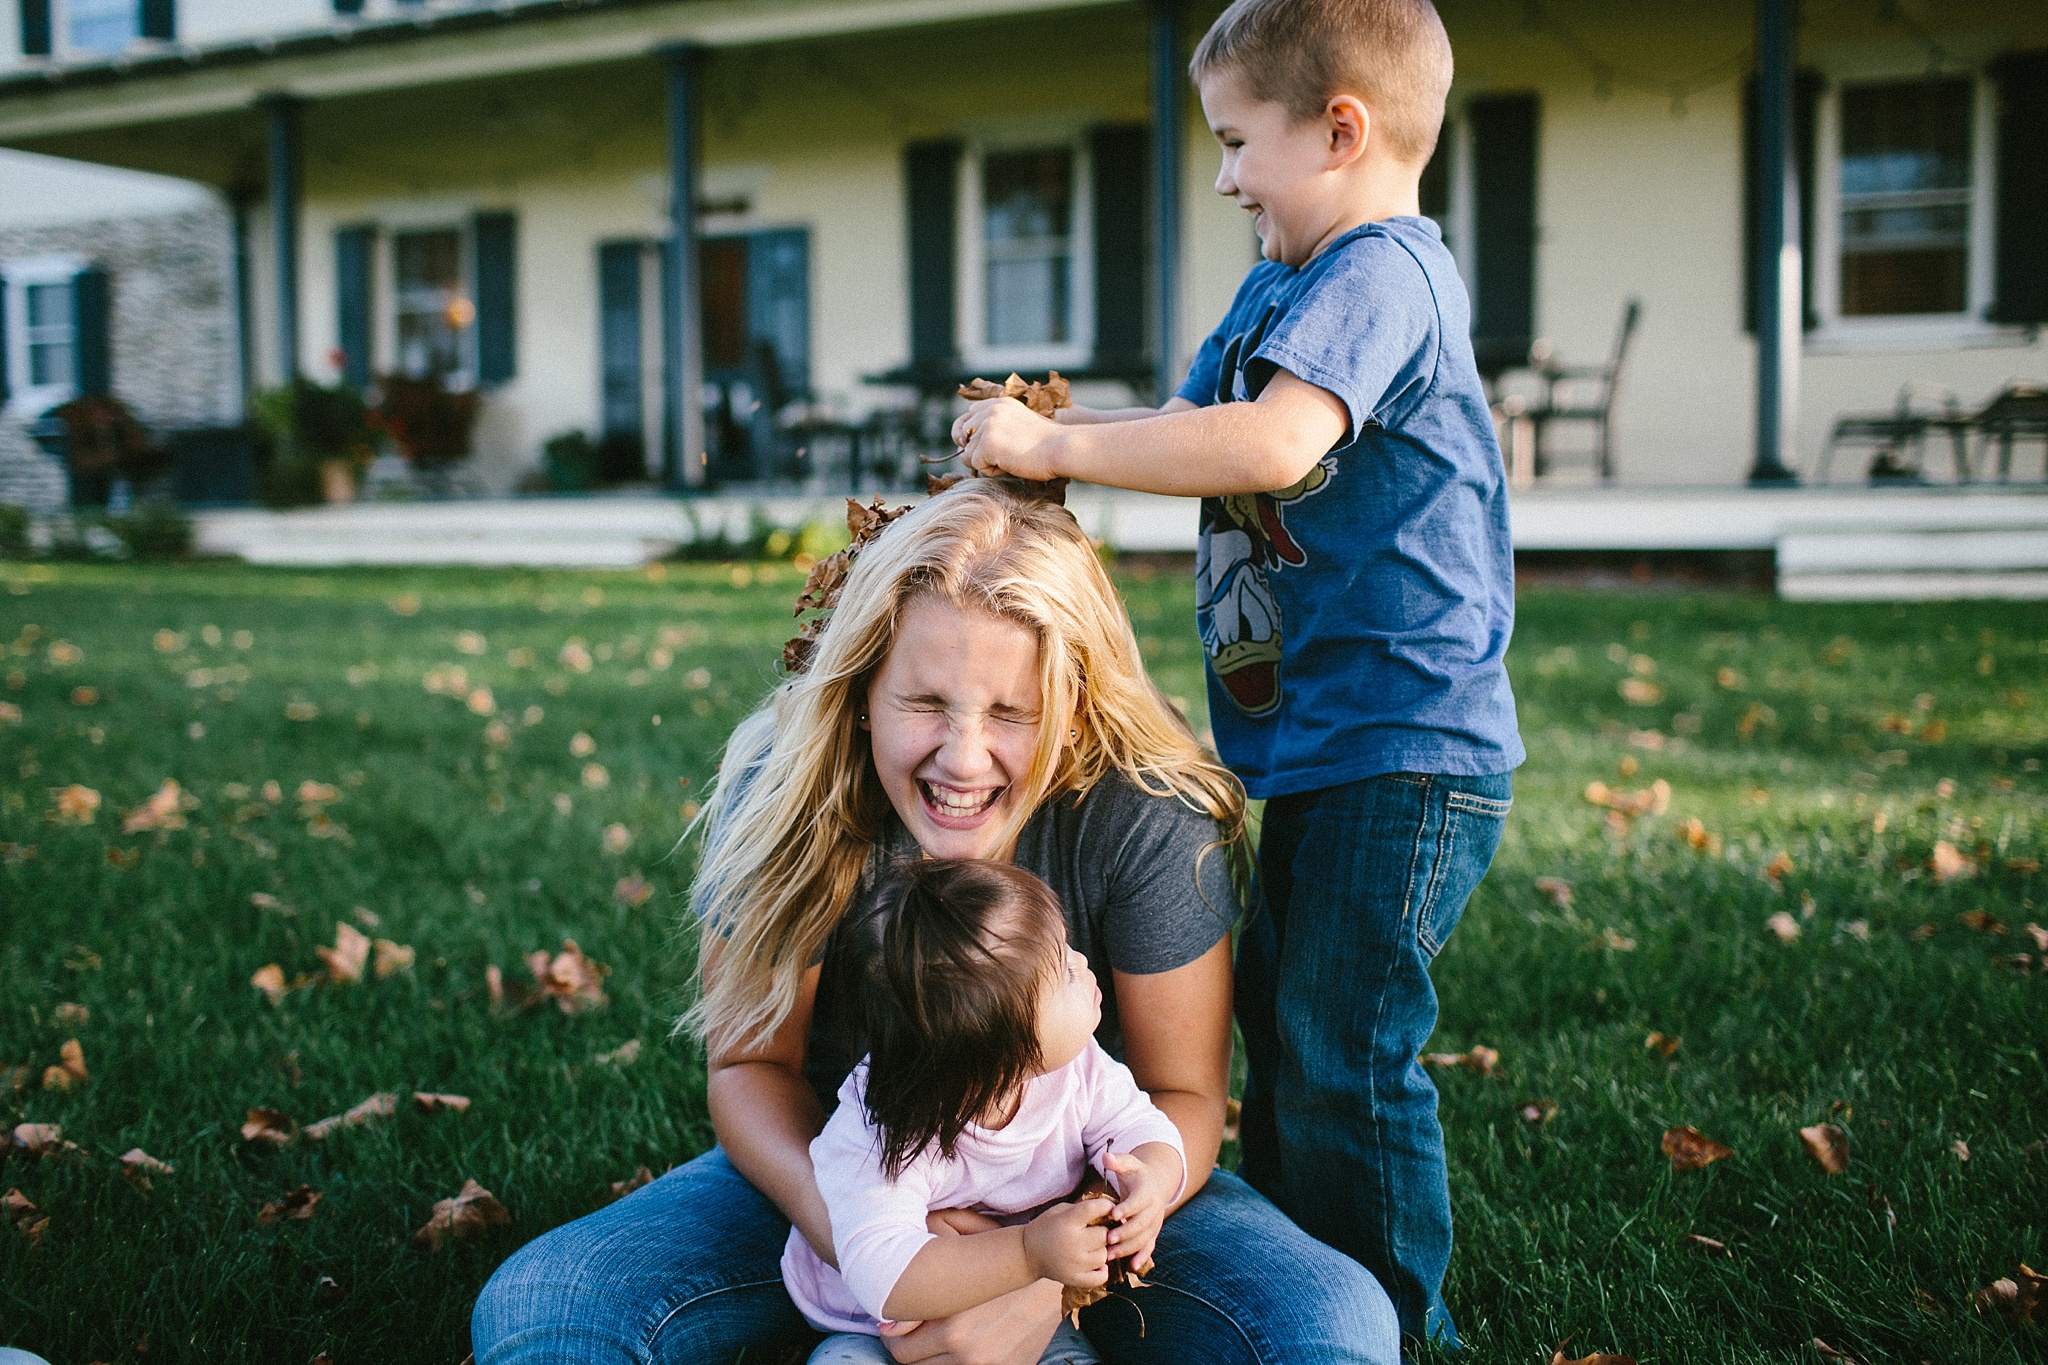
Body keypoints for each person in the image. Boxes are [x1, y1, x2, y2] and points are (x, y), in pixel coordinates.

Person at [471, 479, 1400, 1365]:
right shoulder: (790, 788)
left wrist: (1047, 1278)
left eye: (1011, 712)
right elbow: (753, 1067)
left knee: (1336, 1324)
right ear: (864, 690)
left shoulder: (1143, 812)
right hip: (845, 1175)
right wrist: (897, 1265)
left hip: (1088, 1197)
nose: (962, 758)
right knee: (548, 1308)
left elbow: (1184, 1097)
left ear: (1072, 712)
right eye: (923, 702)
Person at [951, 0, 1523, 1347]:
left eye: (1236, 142)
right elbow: (1192, 424)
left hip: (1407, 748)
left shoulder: (1385, 272)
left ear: (1341, 130)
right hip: (1336, 745)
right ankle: (1298, 1271)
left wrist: (1058, 451)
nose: (1221, 177)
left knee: (1341, 1048)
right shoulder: (1290, 281)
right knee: (1291, 1014)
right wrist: (1060, 439)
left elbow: (1266, 446)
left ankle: (1388, 1319)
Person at [790, 859, 1183, 1365]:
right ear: (1001, 1053)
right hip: (870, 1325)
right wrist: (1027, 1252)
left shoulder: (1079, 1069)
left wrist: (1149, 1180)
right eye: (1062, 969)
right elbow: (882, 1277)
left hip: (1022, 1313)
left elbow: (1143, 1127)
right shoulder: (882, 1128)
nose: (1084, 962)